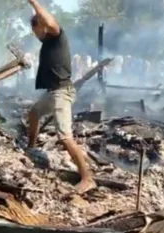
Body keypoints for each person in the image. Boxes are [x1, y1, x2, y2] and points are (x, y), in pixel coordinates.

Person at [27, 0, 96, 194]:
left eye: (37, 30)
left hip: (61, 93)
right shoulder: (48, 42)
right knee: (33, 114)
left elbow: (49, 20)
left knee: (65, 137)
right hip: (52, 92)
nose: (36, 35)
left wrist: (33, 2)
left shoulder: (56, 35)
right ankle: (31, 147)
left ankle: (87, 178)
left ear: (42, 26)